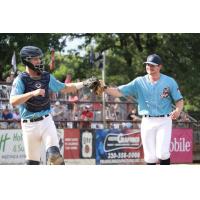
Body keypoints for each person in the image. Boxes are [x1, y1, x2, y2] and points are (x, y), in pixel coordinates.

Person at [9, 45, 93, 165]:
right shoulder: (20, 79)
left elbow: (65, 88)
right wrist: (33, 93)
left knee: (55, 156)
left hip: (46, 121)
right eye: (35, 59)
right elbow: (13, 101)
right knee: (32, 163)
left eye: (39, 58)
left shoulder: (46, 76)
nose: (39, 61)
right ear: (26, 60)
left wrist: (85, 83)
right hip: (28, 125)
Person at [103, 54, 184, 165]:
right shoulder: (139, 82)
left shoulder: (169, 82)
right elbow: (118, 91)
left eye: (153, 65)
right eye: (147, 64)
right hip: (147, 120)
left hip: (164, 120)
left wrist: (178, 110)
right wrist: (103, 88)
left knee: (162, 153)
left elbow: (179, 100)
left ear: (160, 66)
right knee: (150, 157)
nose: (149, 67)